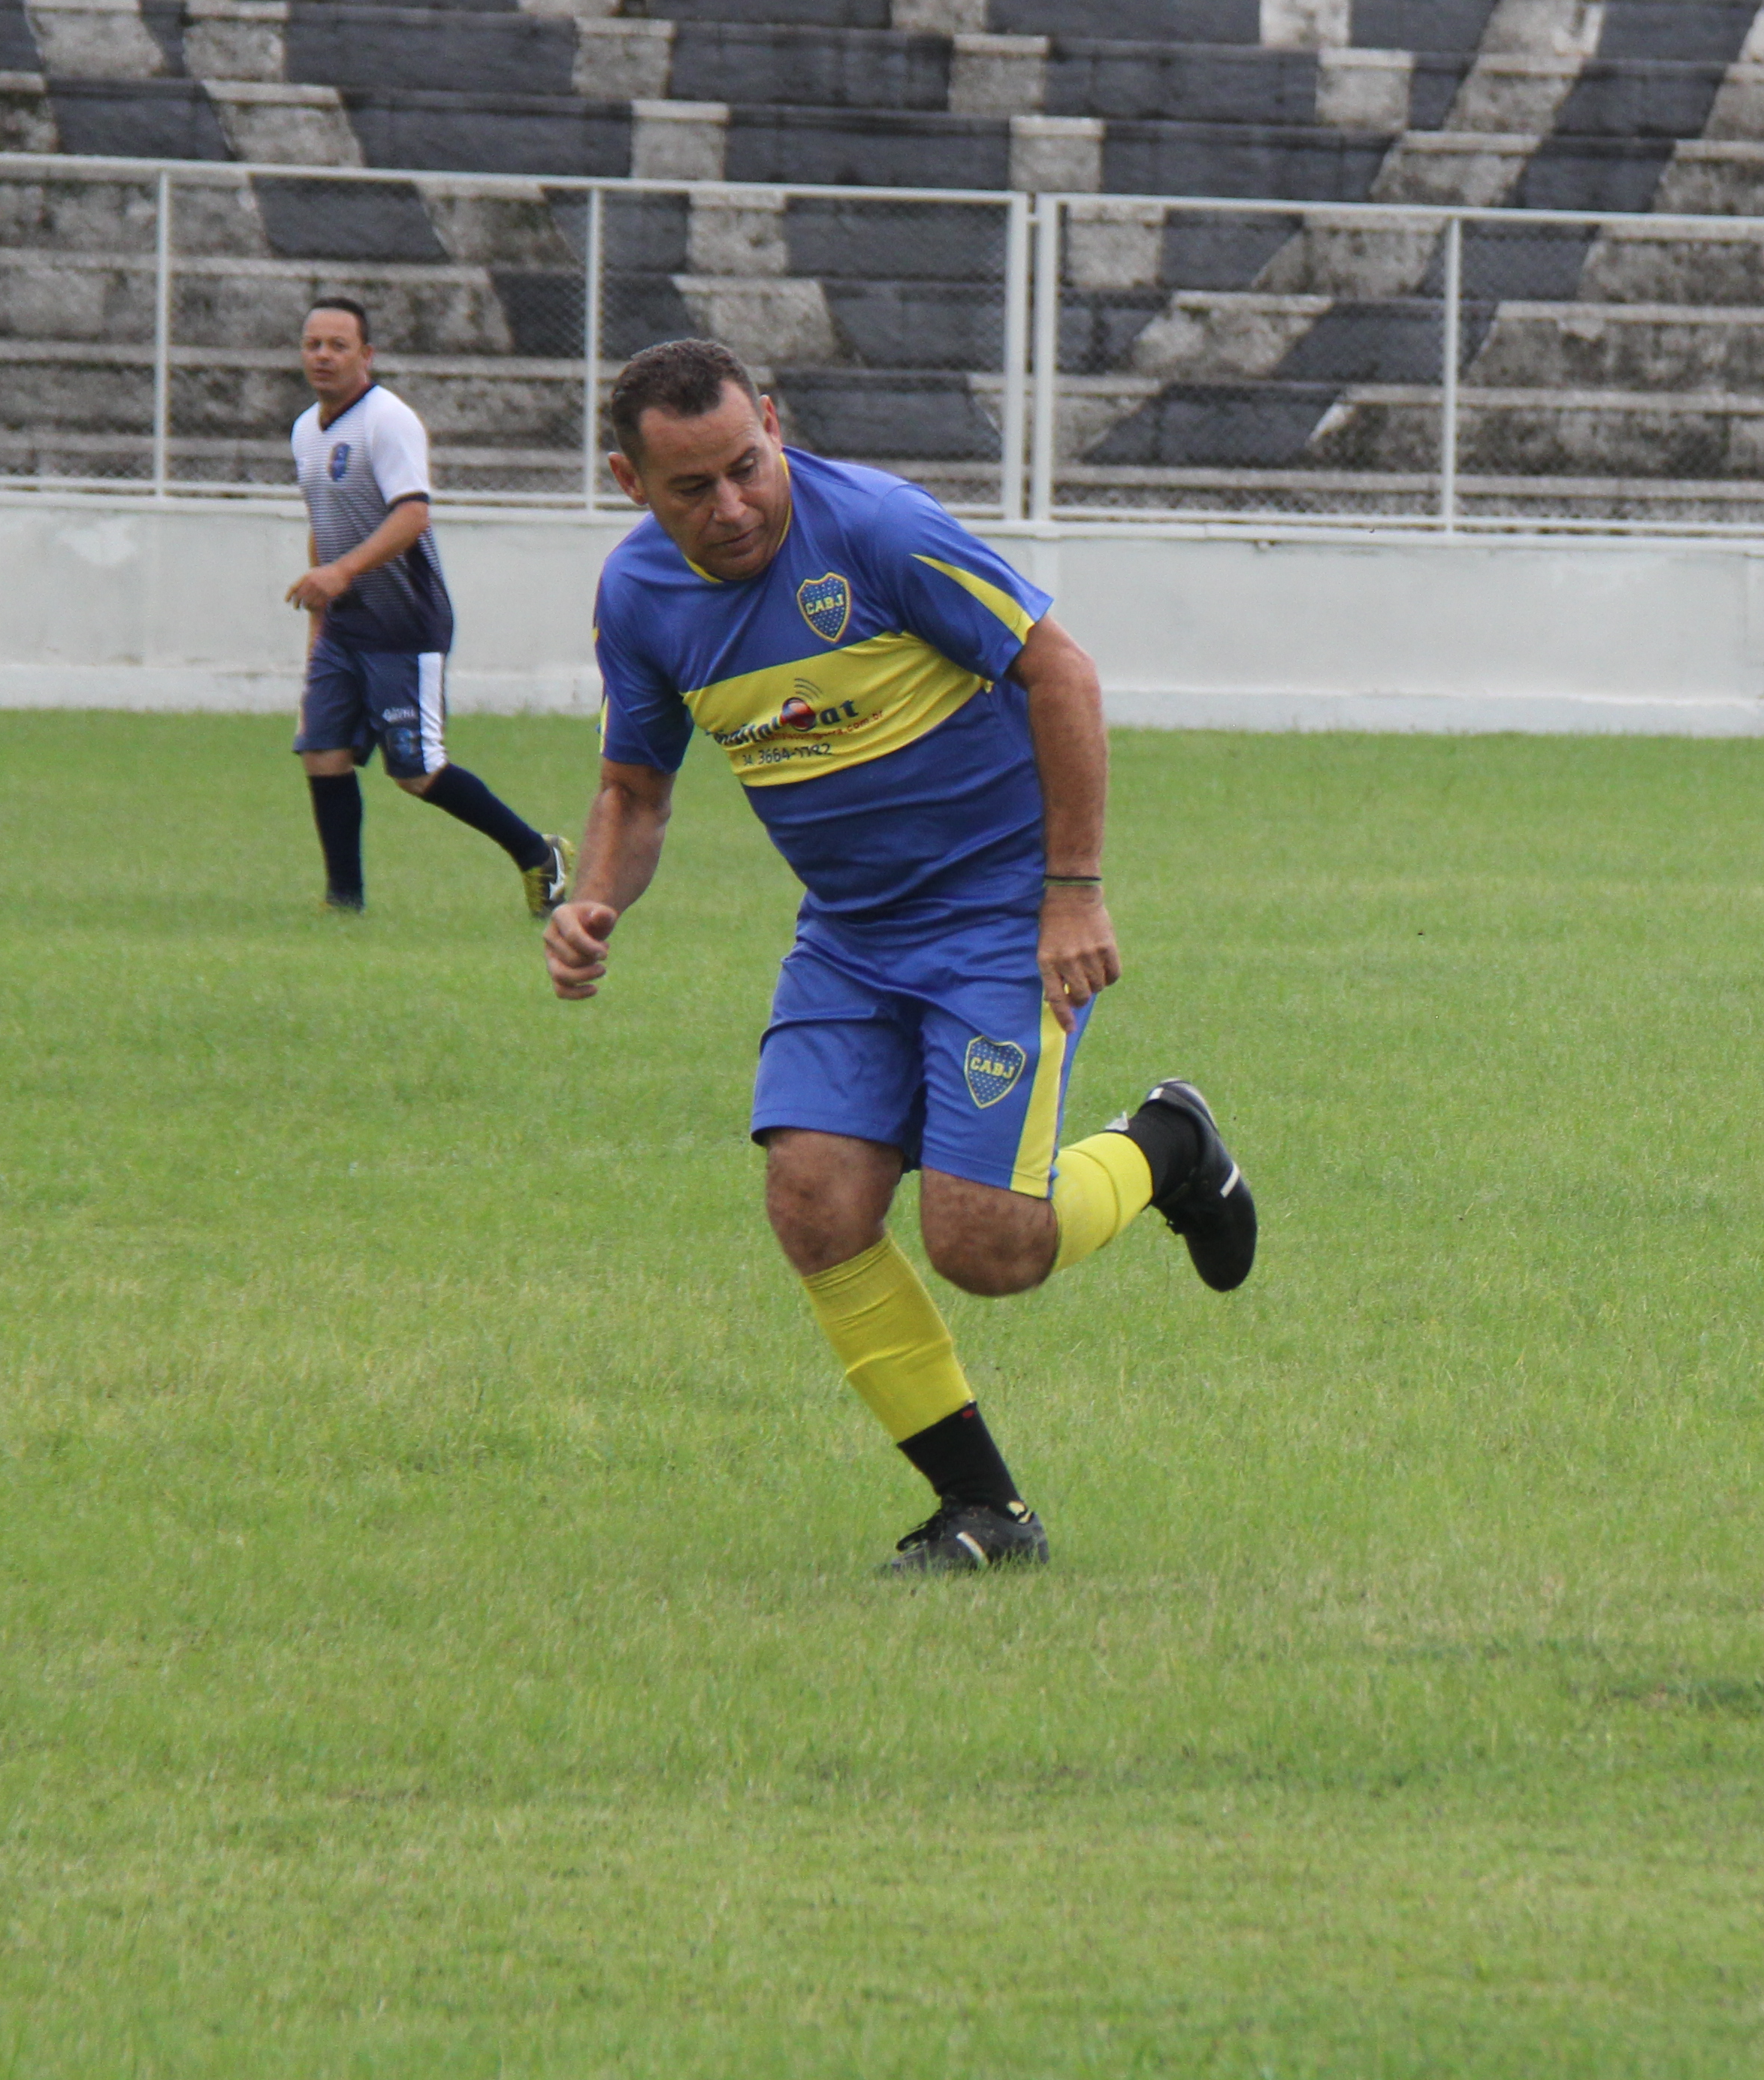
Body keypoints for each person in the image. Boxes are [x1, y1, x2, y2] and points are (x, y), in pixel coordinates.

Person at [541, 337, 1255, 1575]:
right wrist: (595, 899)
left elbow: (1059, 670)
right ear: (627, 484)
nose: (731, 506)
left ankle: (1167, 1149)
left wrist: (1072, 892)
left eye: (746, 467)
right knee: (813, 1205)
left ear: (772, 421)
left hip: (993, 915)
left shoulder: (878, 528)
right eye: (690, 490)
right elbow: (635, 789)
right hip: (851, 935)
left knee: (985, 1247)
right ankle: (986, 1512)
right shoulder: (638, 601)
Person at [286, 296, 569, 917]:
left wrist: (341, 573)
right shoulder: (306, 429)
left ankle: (536, 853)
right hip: (345, 627)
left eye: (338, 345)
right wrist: (320, 616)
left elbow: (413, 515)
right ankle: (344, 903)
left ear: (367, 355)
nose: (323, 356)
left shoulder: (389, 421)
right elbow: (323, 523)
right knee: (323, 752)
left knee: (416, 772)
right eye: (313, 344)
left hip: (402, 624)